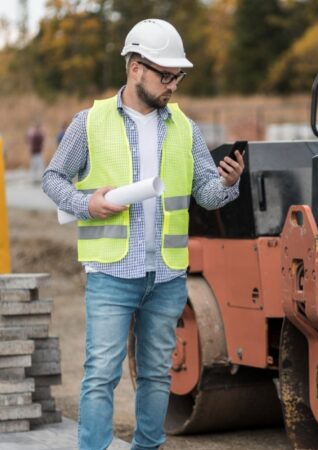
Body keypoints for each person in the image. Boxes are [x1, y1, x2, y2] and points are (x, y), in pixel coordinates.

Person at [42, 18, 245, 450]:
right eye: (165, 75)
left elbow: (205, 195)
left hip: (167, 275)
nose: (173, 85)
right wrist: (86, 203)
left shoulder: (186, 128)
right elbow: (53, 179)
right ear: (135, 68)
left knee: (156, 373)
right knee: (102, 373)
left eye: (178, 77)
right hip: (112, 272)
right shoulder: (89, 122)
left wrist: (227, 184)